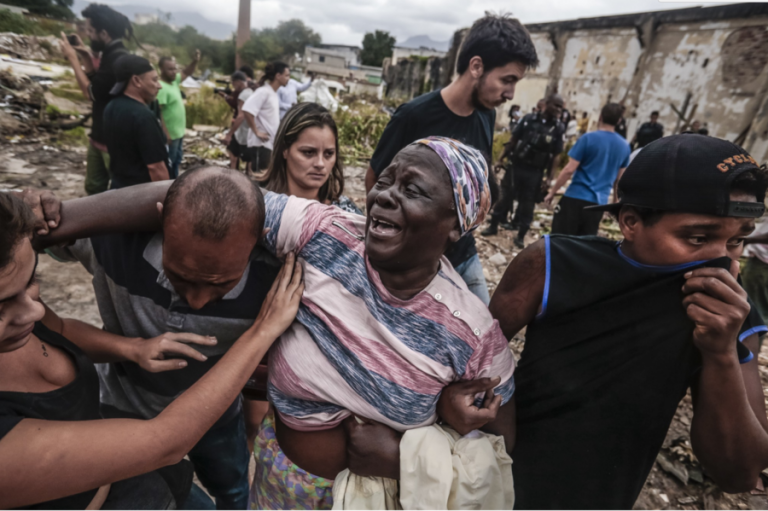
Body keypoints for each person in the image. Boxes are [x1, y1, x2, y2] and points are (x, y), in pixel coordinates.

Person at [36, 138, 517, 510]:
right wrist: (44, 219)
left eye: (412, 190)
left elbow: (499, 451)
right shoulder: (324, 233)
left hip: (382, 496)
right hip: (279, 479)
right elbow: (208, 194)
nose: (386, 196)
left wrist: (407, 457)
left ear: (457, 224)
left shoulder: (471, 332)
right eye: (386, 180)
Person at [350, 135, 768, 509]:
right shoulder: (553, 264)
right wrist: (448, 406)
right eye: (698, 238)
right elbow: (467, 356)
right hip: (496, 481)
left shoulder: (728, 314)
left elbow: (738, 473)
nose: (724, 261)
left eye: (736, 241)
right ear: (630, 222)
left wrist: (720, 353)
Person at [0, 191, 304, 509]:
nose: (35, 311)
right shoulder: (112, 250)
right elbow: (165, 442)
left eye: (32, 280)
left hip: (141, 476)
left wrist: (132, 348)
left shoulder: (22, 310)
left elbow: (60, 330)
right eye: (2, 306)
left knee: (231, 488)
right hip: (132, 472)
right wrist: (263, 331)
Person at [364, 14, 539, 305]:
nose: (510, 94)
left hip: (463, 254)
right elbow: (375, 179)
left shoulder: (486, 116)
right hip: (415, 262)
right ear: (476, 66)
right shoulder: (414, 116)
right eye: (506, 80)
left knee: (484, 323)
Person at [58, 3, 132, 195]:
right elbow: (99, 85)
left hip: (113, 143)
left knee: (120, 193)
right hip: (99, 136)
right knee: (94, 189)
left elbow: (89, 93)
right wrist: (85, 55)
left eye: (91, 31)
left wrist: (72, 58)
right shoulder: (110, 54)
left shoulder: (117, 59)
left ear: (104, 33)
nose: (88, 35)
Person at [482, 93, 565, 248]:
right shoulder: (528, 120)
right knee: (504, 196)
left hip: (535, 172)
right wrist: (500, 159)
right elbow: (513, 140)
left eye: (561, 107)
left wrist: (549, 178)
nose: (559, 110)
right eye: (556, 105)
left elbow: (556, 156)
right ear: (547, 103)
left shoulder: (558, 128)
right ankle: (493, 225)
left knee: (528, 204)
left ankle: (520, 235)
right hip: (516, 166)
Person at [257, 102, 362, 214]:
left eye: (329, 153)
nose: (320, 163)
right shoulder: (258, 208)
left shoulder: (346, 212)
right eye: (308, 152)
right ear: (285, 150)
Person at [544, 102, 631, 236]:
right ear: (619, 120)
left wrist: (552, 192)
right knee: (584, 244)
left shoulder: (588, 138)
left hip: (575, 198)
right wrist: (615, 203)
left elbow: (569, 170)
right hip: (598, 204)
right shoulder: (624, 146)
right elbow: (619, 180)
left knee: (560, 240)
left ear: (600, 116)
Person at [103, 55, 170, 189]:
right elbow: (156, 168)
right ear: (136, 81)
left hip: (119, 189)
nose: (159, 86)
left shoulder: (111, 106)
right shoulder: (143, 116)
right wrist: (167, 197)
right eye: (154, 80)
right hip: (142, 194)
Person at [157, 50, 201, 179]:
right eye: (170, 69)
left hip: (179, 133)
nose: (174, 72)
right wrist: (165, 133)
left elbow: (186, 72)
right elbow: (158, 113)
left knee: (177, 160)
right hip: (170, 135)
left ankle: (175, 183)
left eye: (174, 68)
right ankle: (168, 186)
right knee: (169, 164)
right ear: (161, 70)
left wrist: (195, 61)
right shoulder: (161, 88)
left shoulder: (174, 82)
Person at [242, 62, 291, 174]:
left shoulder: (272, 93)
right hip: (261, 145)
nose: (288, 78)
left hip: (268, 145)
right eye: (287, 75)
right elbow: (247, 110)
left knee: (265, 179)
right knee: (258, 179)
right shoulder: (263, 92)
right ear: (278, 76)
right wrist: (256, 131)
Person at [223, 71, 255, 171]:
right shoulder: (251, 92)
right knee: (249, 161)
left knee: (233, 156)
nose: (233, 85)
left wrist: (229, 134)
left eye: (233, 82)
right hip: (249, 131)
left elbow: (241, 116)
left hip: (242, 132)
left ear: (239, 81)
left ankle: (233, 176)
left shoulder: (243, 95)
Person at [743, 219, 768, 338]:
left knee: (755, 310)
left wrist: (747, 240)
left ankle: (752, 344)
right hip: (760, 264)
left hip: (762, 265)